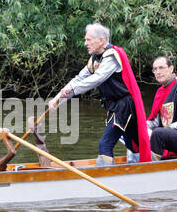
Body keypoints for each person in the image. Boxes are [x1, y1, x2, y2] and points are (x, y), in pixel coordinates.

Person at [46, 23, 151, 165]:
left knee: (105, 145)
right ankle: (146, 168)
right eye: (85, 40)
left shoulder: (112, 56)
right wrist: (58, 100)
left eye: (88, 40)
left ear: (101, 40)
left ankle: (105, 180)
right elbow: (79, 78)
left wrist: (73, 90)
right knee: (134, 145)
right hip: (116, 106)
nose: (85, 44)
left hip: (124, 106)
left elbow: (97, 78)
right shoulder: (95, 58)